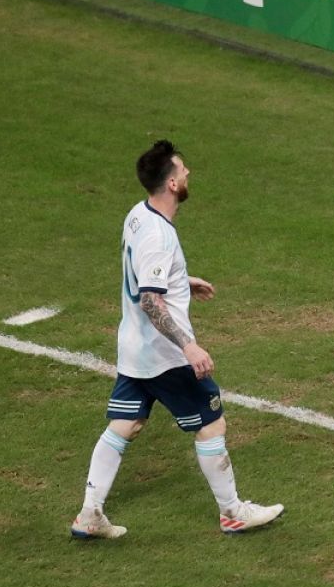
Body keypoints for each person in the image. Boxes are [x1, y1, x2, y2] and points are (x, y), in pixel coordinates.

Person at [71, 140, 283, 539]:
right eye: (182, 171)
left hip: (133, 349)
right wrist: (188, 345)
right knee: (211, 426)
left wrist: (180, 281)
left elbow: (145, 279)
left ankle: (89, 513)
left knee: (125, 424)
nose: (187, 175)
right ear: (171, 184)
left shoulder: (137, 215)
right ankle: (233, 512)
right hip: (164, 356)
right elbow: (150, 299)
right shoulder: (158, 235)